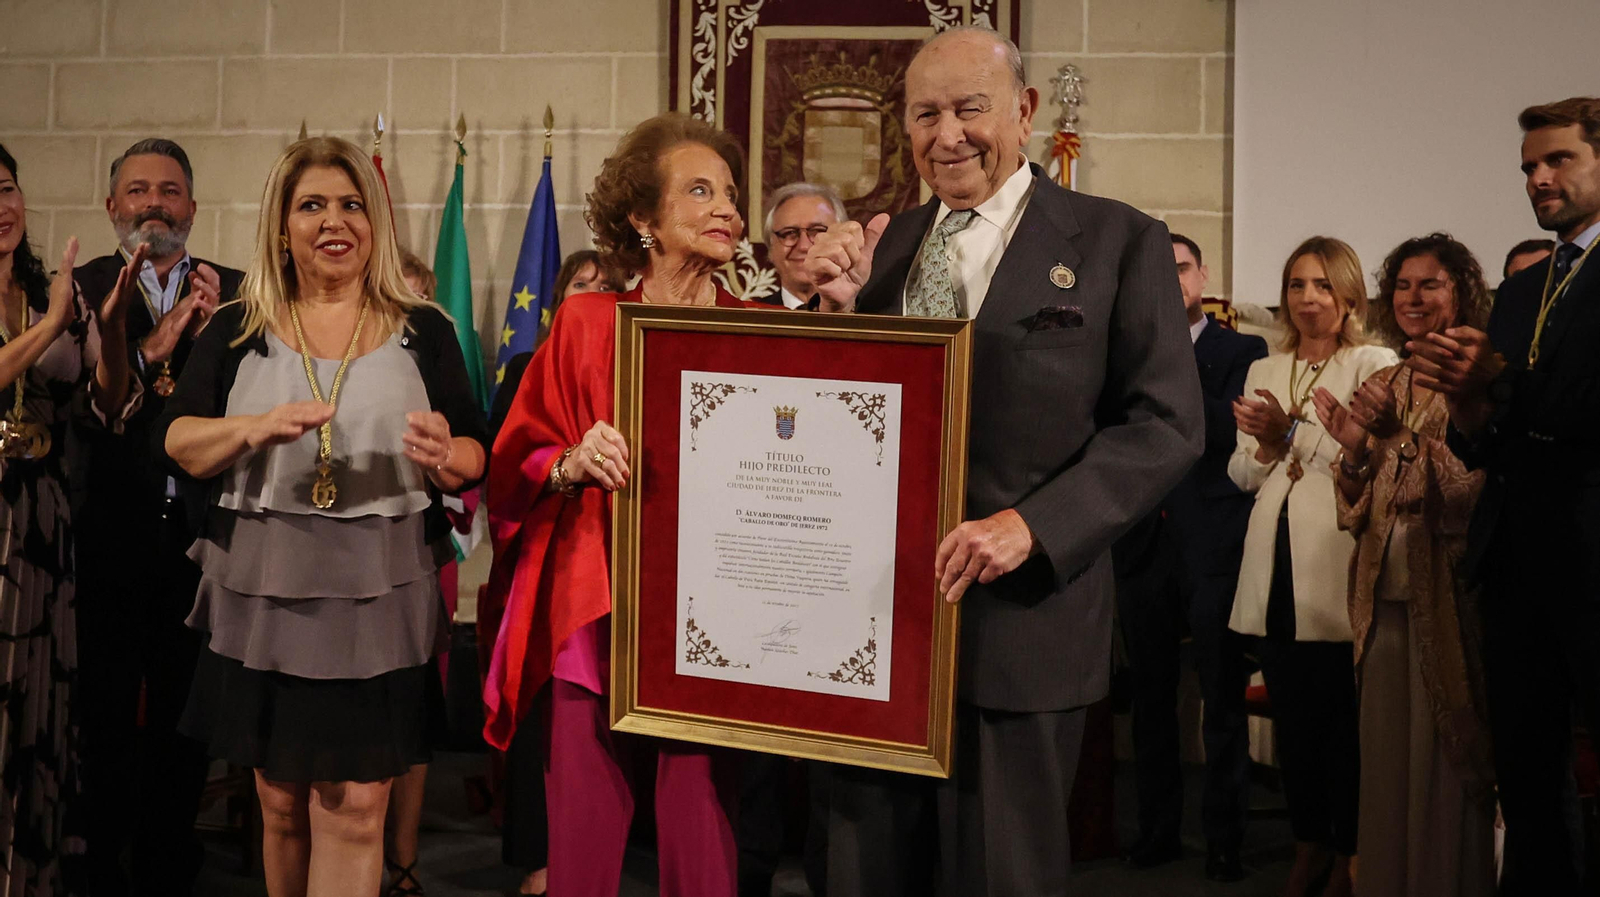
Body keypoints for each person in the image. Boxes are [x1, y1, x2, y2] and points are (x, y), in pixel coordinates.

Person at [801, 26, 1204, 896]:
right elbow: (842, 418)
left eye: (969, 108)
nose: (947, 135)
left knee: (1003, 876)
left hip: (1022, 624)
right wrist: (837, 314)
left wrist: (1036, 525)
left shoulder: (1118, 241)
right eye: (924, 114)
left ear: (1022, 113)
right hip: (876, 630)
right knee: (864, 872)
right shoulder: (884, 247)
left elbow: (1166, 423)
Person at [153, 136, 488, 897]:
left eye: (351, 205)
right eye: (312, 205)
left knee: (358, 805)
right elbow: (174, 440)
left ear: (374, 224)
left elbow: (478, 449)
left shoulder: (424, 327)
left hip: (376, 599)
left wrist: (449, 454)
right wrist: (252, 428)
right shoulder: (237, 326)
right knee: (278, 803)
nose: (335, 222)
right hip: (269, 594)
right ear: (282, 226)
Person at [485, 112, 757, 897]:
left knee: (702, 816)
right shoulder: (583, 323)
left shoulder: (763, 332)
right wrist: (571, 462)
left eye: (732, 195)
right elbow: (513, 466)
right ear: (644, 218)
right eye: (701, 191)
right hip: (596, 600)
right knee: (584, 824)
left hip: (717, 613)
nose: (727, 211)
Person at [1407, 96, 1600, 894]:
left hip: (1594, 550)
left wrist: (1500, 385)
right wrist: (1466, 406)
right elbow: (1487, 440)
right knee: (1525, 772)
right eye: (1528, 166)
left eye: (1559, 161)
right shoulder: (1522, 290)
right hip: (1518, 558)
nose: (1538, 178)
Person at [68, 137, 241, 897]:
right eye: (137, 192)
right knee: (105, 713)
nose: (153, 205)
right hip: (108, 533)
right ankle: (102, 859)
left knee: (183, 716)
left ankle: (173, 859)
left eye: (169, 192)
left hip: (200, 542)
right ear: (112, 208)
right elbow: (82, 409)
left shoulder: (237, 293)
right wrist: (153, 343)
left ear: (193, 209)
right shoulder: (79, 289)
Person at [1311, 233, 1496, 897]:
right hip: (1379, 602)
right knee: (1385, 765)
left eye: (1432, 285)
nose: (1414, 299)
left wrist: (1397, 438)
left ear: (1462, 292)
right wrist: (1357, 453)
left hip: (1449, 600)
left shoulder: (1480, 376)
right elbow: (1357, 501)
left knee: (1445, 761)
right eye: (1405, 285)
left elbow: (1476, 494)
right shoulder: (1385, 378)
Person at [1227, 236, 1397, 897]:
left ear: (1349, 296)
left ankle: (1352, 851)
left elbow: (1374, 461)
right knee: (1296, 721)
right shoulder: (1264, 367)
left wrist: (1289, 436)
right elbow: (1241, 470)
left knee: (1342, 724)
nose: (1306, 298)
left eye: (1322, 285)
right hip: (1274, 553)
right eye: (1297, 285)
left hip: (1338, 550)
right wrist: (1269, 446)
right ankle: (1309, 843)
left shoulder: (1373, 361)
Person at [0, 142, 141, 895]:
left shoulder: (54, 294)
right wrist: (52, 323)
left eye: (7, 188)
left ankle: (31, 874)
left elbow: (109, 404)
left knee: (40, 706)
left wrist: (109, 329)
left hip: (44, 517)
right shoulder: (53, 307)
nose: (2, 207)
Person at [1114, 233, 1267, 881]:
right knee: (1151, 700)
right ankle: (1157, 829)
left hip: (1212, 544)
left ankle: (1226, 834)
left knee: (1221, 699)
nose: (1171, 279)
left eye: (1180, 267)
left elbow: (1226, 430)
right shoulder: (1120, 354)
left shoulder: (1243, 350)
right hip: (1144, 544)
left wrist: (1167, 369)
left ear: (1202, 275)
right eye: (1158, 271)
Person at [483, 248, 623, 897]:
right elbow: (509, 462)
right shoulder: (529, 364)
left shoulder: (631, 348)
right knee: (561, 730)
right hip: (560, 560)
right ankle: (542, 857)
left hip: (630, 561)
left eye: (603, 284)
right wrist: (565, 466)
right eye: (580, 284)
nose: (591, 293)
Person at [756, 182, 846, 310]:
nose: (803, 246)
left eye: (817, 231)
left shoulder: (872, 317)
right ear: (771, 246)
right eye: (789, 233)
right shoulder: (752, 316)